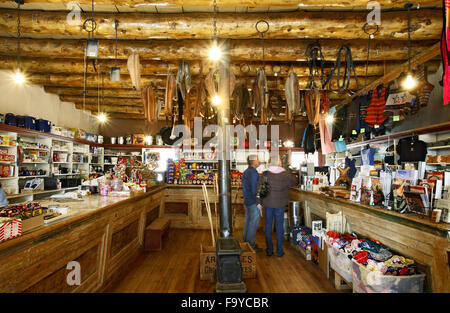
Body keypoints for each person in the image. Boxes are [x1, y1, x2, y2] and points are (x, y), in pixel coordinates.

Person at [256, 154, 297, 257]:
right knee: (279, 228)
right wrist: (286, 170)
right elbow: (295, 181)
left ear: (269, 161)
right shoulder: (285, 174)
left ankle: (269, 250)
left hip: (268, 204)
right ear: (279, 162)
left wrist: (259, 203)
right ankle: (279, 251)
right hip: (280, 204)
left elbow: (258, 190)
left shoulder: (265, 174)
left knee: (268, 227)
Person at [242, 155, 263, 252]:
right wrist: (259, 202)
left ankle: (246, 243)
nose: (259, 161)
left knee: (248, 222)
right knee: (253, 224)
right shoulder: (253, 173)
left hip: (247, 201)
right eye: (258, 159)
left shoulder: (246, 171)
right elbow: (255, 189)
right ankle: (251, 245)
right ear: (254, 161)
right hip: (253, 202)